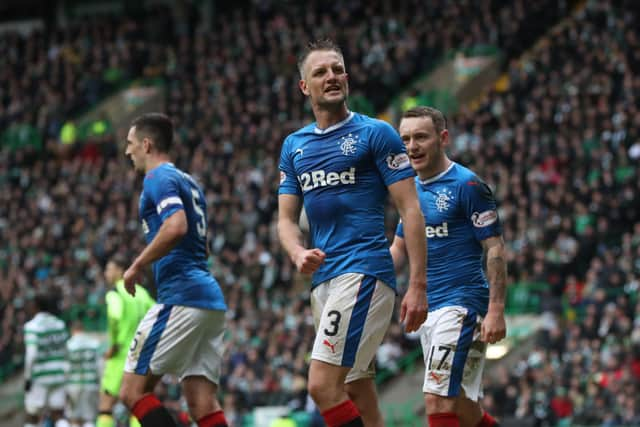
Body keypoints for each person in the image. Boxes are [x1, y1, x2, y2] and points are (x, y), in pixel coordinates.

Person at [278, 39, 427, 427]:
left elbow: (410, 207)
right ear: (304, 87)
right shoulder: (294, 146)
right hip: (323, 280)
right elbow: (286, 220)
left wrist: (418, 284)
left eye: (337, 69)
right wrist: (296, 252)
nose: (332, 77)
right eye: (321, 72)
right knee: (355, 390)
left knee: (322, 385)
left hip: (363, 271)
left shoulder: (376, 134)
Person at [389, 106, 506, 427]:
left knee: (437, 401)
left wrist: (496, 309)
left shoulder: (468, 186)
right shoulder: (409, 189)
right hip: (428, 310)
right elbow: (400, 246)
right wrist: (370, 279)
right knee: (461, 407)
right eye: (406, 139)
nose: (412, 146)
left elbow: (494, 248)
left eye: (421, 137)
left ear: (442, 139)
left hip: (462, 304)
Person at [120, 113, 228, 427]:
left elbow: (177, 226)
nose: (128, 152)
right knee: (203, 405)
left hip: (182, 296)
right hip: (209, 301)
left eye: (130, 144)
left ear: (146, 144)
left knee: (131, 392)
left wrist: (136, 265)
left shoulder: (157, 178)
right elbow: (202, 245)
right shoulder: (189, 181)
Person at [98, 255, 155, 427]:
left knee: (106, 405)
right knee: (136, 402)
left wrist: (113, 344)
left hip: (120, 353)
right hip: (140, 354)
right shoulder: (143, 294)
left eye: (109, 269)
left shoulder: (115, 292)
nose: (106, 273)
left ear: (120, 271)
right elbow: (156, 315)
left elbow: (114, 316)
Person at [23, 292, 69, 427]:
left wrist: (27, 378)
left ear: (36, 306)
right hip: (58, 375)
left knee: (32, 415)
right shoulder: (60, 325)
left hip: (39, 377)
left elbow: (31, 355)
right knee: (58, 414)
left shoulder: (32, 327)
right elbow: (66, 351)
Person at [66, 321, 101, 427]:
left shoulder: (69, 344)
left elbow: (66, 368)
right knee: (89, 417)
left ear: (72, 331)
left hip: (74, 384)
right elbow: (99, 365)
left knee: (74, 417)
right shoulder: (94, 343)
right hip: (91, 383)